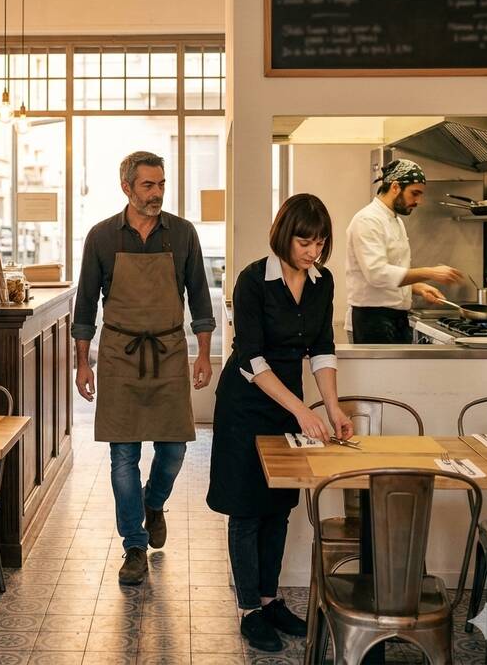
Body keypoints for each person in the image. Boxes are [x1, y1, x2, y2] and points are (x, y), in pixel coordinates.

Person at [207, 193, 353, 653]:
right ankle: (249, 608)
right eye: (305, 241)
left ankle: (271, 600)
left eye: (320, 242)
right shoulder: (253, 280)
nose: (313, 251)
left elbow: (322, 348)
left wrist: (332, 407)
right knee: (247, 508)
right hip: (248, 404)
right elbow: (250, 358)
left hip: (290, 402)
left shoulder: (321, 281)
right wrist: (302, 410)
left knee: (279, 506)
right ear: (284, 236)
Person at [74, 151, 215, 585]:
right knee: (123, 456)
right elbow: (84, 306)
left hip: (169, 349)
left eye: (161, 185)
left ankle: (154, 503)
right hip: (119, 351)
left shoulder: (183, 234)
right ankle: (134, 545)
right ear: (127, 188)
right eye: (148, 186)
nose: (156, 193)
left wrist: (204, 353)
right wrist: (83, 363)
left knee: (174, 449)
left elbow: (200, 298)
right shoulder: (101, 237)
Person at [346, 158, 464, 344]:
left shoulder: (397, 221)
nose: (419, 201)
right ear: (395, 187)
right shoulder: (367, 220)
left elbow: (391, 273)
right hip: (372, 320)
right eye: (414, 193)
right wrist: (430, 273)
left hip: (396, 318)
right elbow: (377, 274)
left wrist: (417, 288)